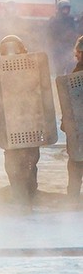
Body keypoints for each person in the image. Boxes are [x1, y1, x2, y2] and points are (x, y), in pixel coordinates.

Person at [0, 35, 40, 207]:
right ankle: (19, 196)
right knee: (12, 164)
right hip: (10, 125)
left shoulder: (31, 67)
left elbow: (39, 93)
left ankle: (29, 195)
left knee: (29, 163)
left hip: (29, 123)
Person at [63, 35, 83, 202]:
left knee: (76, 164)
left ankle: (73, 201)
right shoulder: (76, 71)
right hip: (78, 128)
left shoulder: (77, 73)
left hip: (78, 129)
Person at [48, 0, 77, 76]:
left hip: (68, 47)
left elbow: (74, 32)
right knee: (59, 69)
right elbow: (50, 34)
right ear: (60, 9)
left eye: (67, 8)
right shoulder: (54, 20)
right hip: (57, 48)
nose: (66, 10)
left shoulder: (70, 19)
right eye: (64, 8)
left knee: (70, 68)